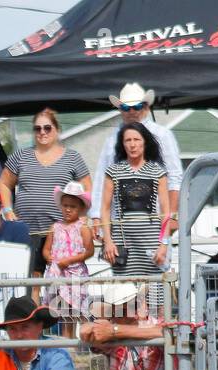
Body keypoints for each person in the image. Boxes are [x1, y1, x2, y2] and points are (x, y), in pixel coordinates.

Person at [0, 108, 90, 274]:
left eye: (47, 128)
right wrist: (7, 209)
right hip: (26, 230)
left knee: (61, 279)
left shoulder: (73, 157)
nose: (42, 132)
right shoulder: (20, 156)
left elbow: (88, 187)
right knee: (31, 280)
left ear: (57, 129)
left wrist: (82, 216)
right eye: (37, 128)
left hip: (62, 233)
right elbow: (4, 183)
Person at [91, 83, 182, 240]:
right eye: (126, 108)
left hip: (155, 220)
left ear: (146, 107)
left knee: (157, 262)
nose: (131, 111)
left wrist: (172, 217)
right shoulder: (111, 140)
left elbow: (174, 177)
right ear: (120, 110)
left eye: (137, 106)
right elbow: (101, 180)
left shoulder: (163, 135)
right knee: (122, 263)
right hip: (120, 222)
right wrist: (96, 216)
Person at [101, 121, 169, 312]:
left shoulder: (158, 171)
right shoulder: (113, 171)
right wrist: (108, 241)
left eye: (136, 139)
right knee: (127, 298)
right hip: (124, 242)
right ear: (122, 144)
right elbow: (105, 209)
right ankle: (131, 339)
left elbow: (166, 212)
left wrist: (164, 244)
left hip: (150, 241)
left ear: (144, 142)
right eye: (128, 140)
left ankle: (157, 339)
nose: (132, 144)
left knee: (156, 296)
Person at [42, 181, 93, 319]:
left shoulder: (83, 228)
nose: (68, 209)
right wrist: (49, 257)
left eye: (73, 206)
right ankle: (65, 339)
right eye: (65, 206)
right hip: (58, 273)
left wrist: (70, 260)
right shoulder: (55, 227)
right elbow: (46, 249)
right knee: (61, 311)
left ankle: (78, 338)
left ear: (81, 208)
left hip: (75, 274)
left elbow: (89, 251)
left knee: (75, 312)